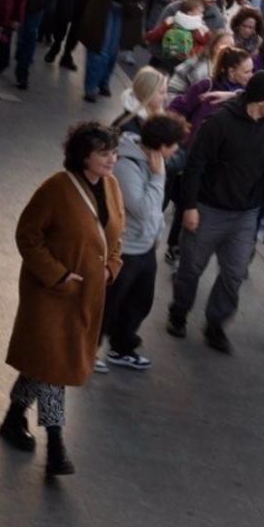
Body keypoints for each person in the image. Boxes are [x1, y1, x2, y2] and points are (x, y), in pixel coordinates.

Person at [0, 122, 125, 478]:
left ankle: (13, 416)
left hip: (86, 296)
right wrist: (57, 274)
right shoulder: (55, 189)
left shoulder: (113, 188)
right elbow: (28, 235)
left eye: (114, 152)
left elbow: (116, 234)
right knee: (55, 367)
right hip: (51, 295)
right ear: (83, 155)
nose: (112, 160)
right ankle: (56, 445)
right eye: (104, 153)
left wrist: (112, 267)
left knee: (45, 362)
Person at [166, 72, 264, 351]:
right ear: (259, 100)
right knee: (190, 268)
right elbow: (195, 165)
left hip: (246, 214)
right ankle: (179, 312)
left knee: (234, 273)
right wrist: (189, 206)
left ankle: (215, 325)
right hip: (208, 209)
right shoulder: (219, 123)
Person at [102, 112, 187, 371]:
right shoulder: (128, 164)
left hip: (145, 247)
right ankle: (88, 348)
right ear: (162, 146)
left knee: (140, 301)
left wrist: (157, 233)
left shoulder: (154, 161)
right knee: (110, 303)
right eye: (175, 144)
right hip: (125, 249)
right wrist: (159, 177)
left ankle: (122, 348)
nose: (177, 150)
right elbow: (143, 208)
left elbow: (156, 212)